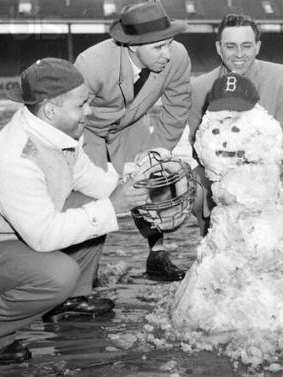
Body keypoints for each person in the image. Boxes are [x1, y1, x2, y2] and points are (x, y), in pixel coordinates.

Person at [0, 58, 149, 364]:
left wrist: (139, 188)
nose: (88, 111)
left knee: (93, 206)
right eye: (82, 104)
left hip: (13, 237)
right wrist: (114, 206)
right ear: (50, 110)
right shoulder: (15, 157)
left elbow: (92, 181)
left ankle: (68, 301)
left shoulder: (53, 132)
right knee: (58, 273)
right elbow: (44, 238)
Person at [72, 0, 191, 282]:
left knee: (154, 182)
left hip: (132, 124)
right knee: (90, 194)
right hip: (88, 129)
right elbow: (70, 116)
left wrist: (155, 153)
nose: (167, 54)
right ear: (133, 45)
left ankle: (158, 254)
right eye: (158, 47)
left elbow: (176, 110)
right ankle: (84, 273)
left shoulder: (178, 56)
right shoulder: (91, 63)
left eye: (169, 43)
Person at [188, 13, 283, 235]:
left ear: (257, 46)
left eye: (246, 46)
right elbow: (198, 146)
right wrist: (231, 178)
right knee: (189, 186)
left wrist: (260, 177)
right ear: (219, 48)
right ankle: (212, 238)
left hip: (274, 168)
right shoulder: (200, 87)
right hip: (222, 174)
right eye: (230, 46)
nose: (239, 54)